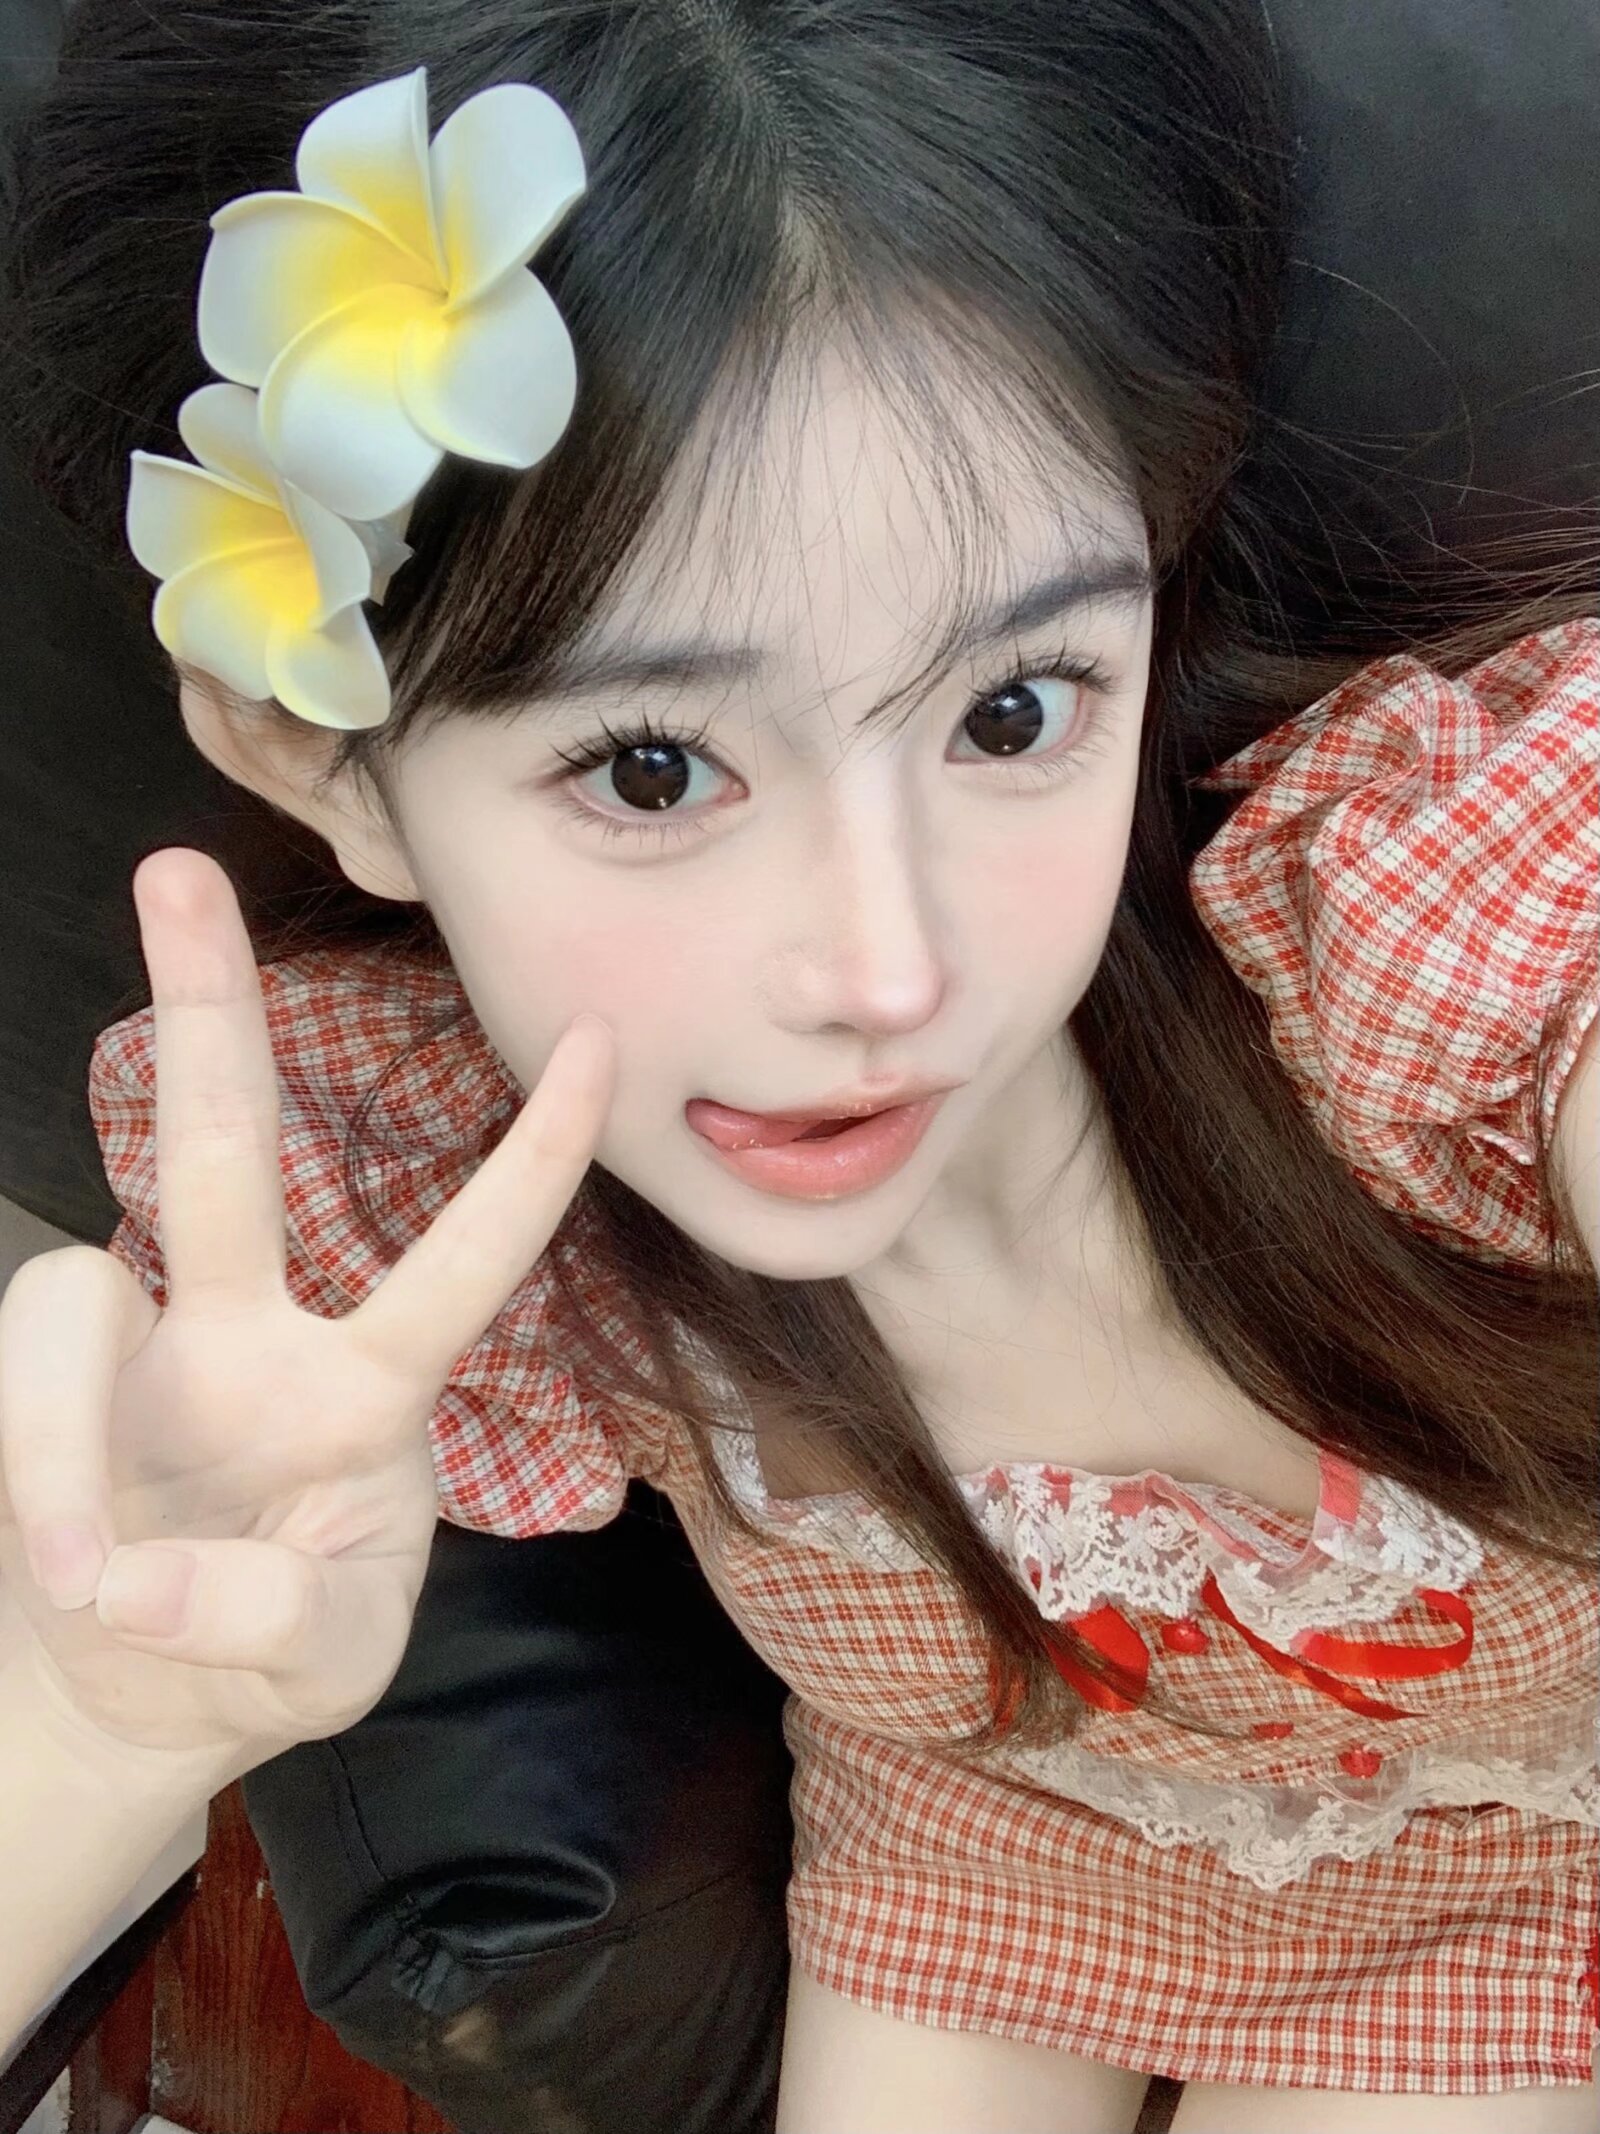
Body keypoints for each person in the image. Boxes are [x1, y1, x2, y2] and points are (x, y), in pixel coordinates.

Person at [1, 1, 1597, 2128]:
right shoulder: (423, 1205)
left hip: (1517, 1867)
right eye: (652, 766)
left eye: (1013, 708)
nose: (886, 968)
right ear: (329, 762)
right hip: (988, 1842)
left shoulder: (1416, 939)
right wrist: (92, 1730)